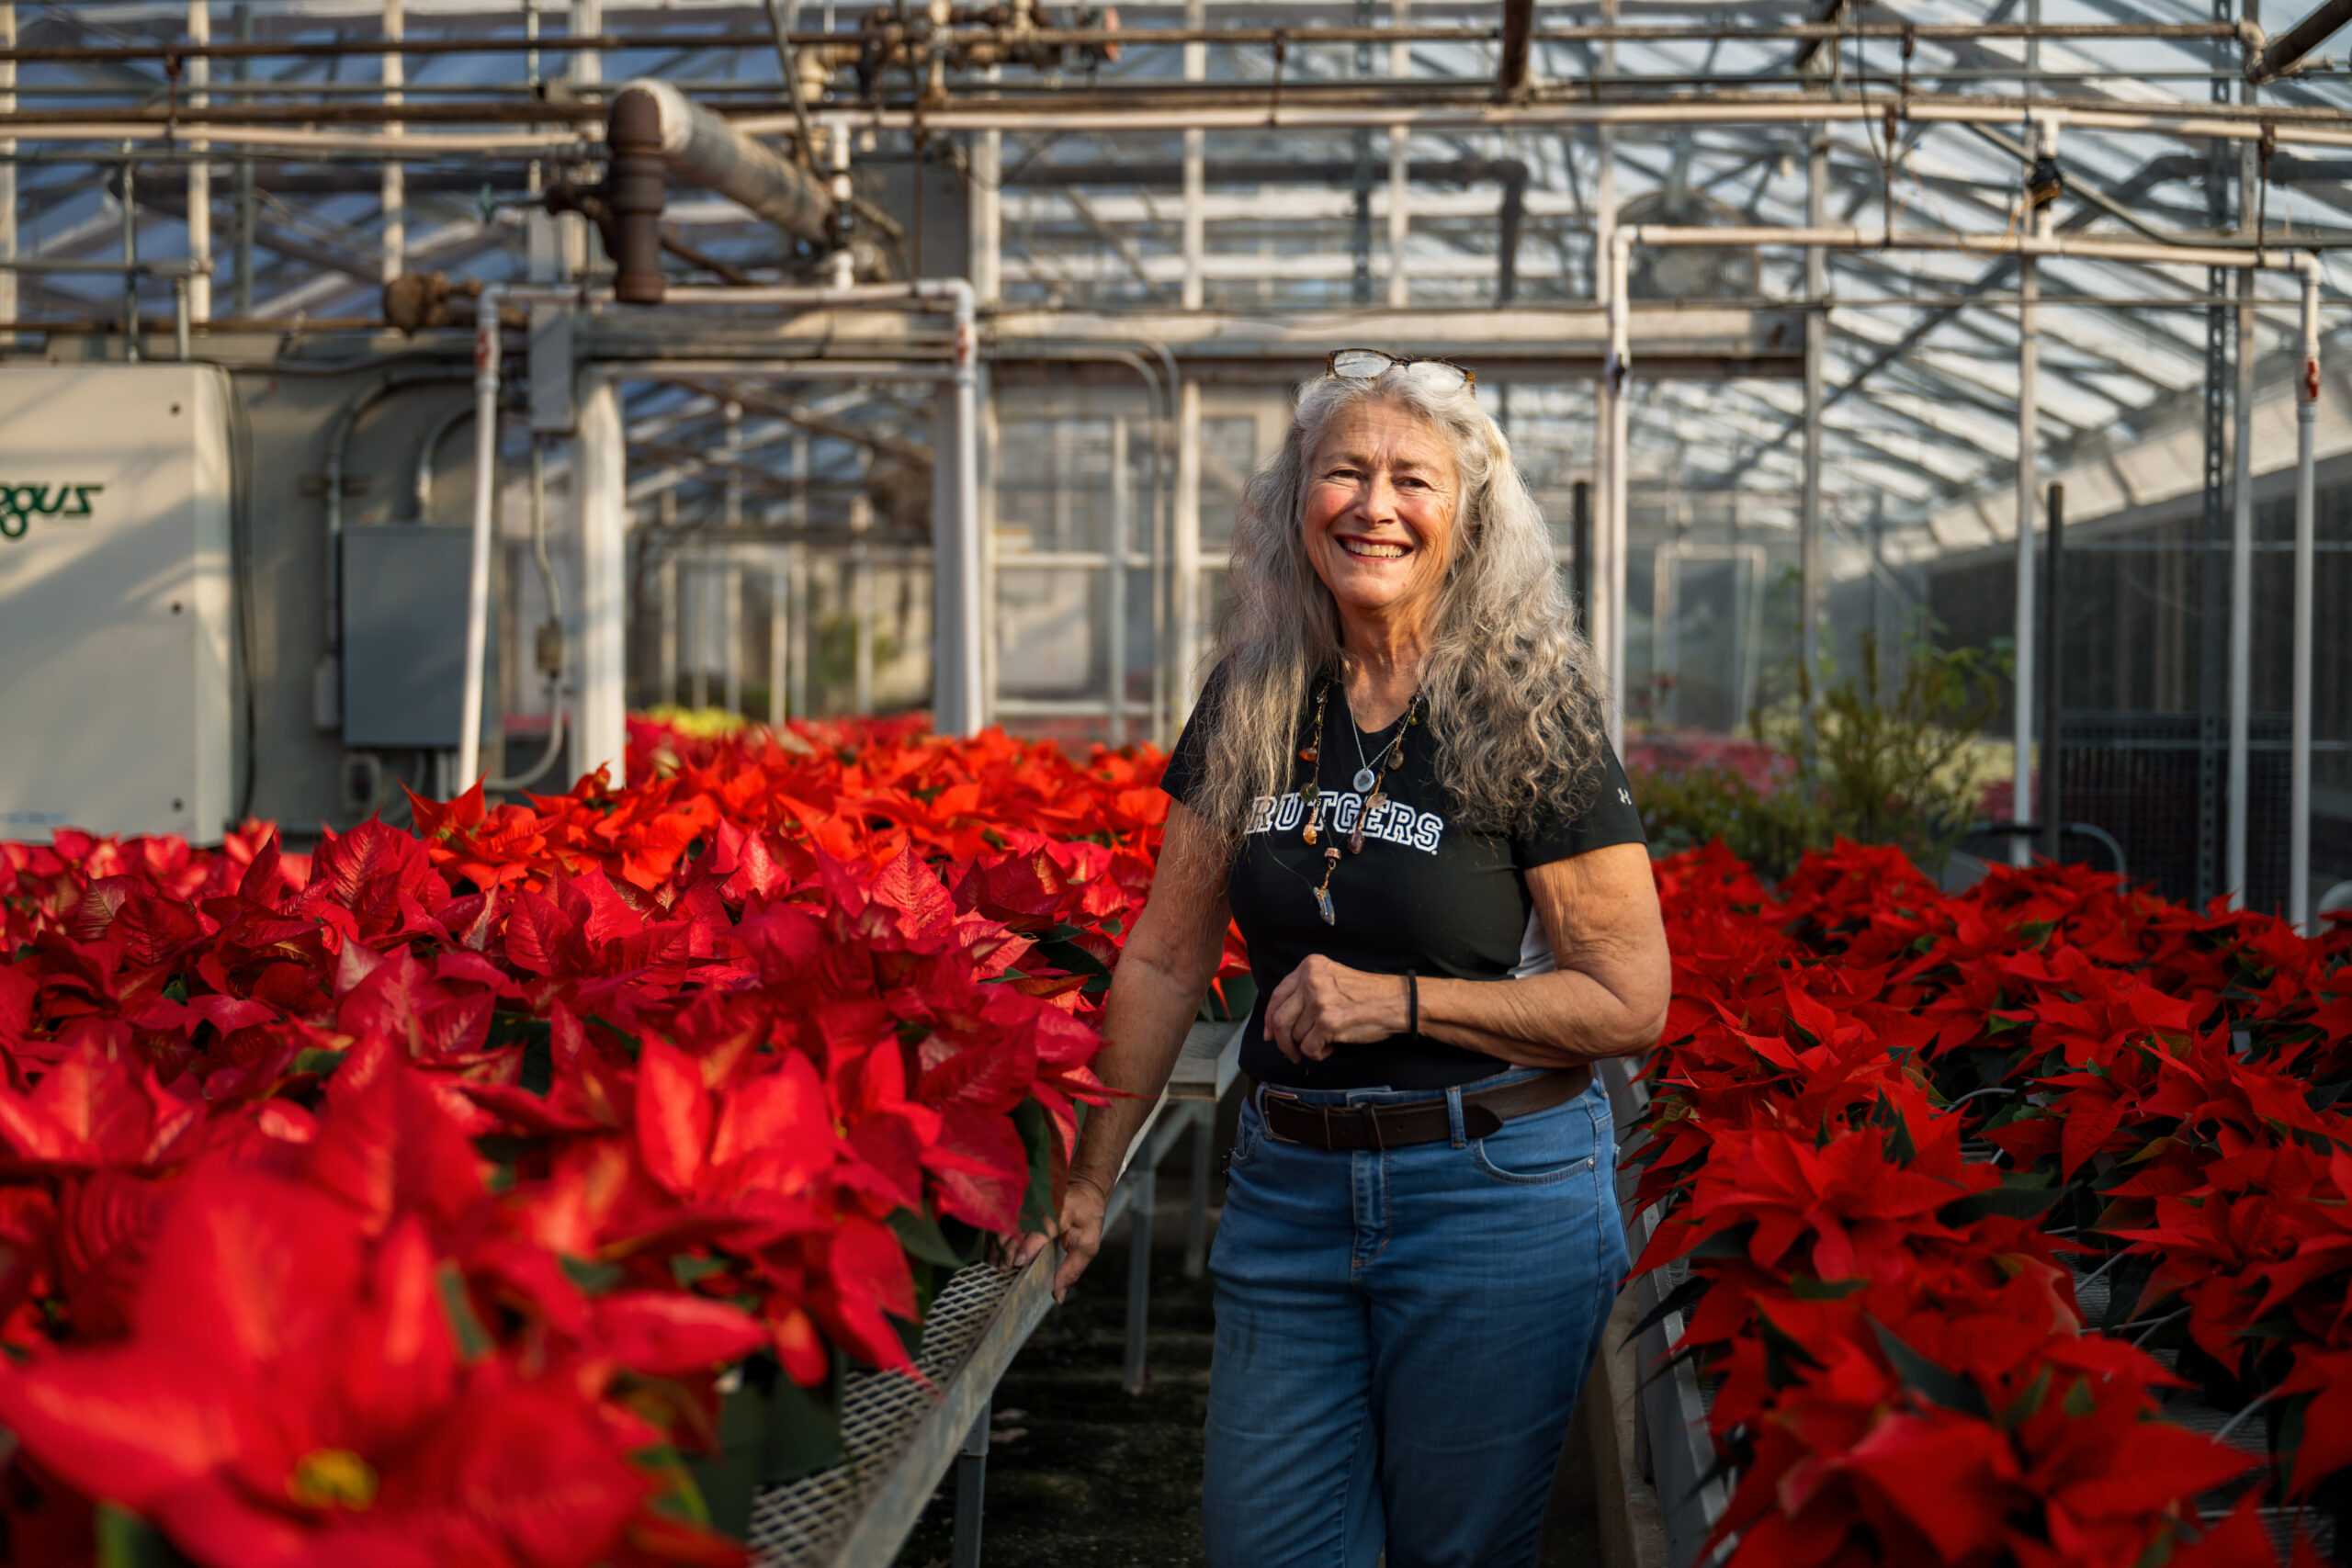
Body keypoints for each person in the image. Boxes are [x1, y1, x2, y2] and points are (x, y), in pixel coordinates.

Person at [1023, 348, 1671, 1568]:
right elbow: (1166, 962)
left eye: (1413, 480)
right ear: (1293, 505)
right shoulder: (1256, 698)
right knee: (1267, 1544)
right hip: (1290, 1190)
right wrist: (1089, 1176)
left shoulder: (1529, 712)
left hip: (1494, 1197)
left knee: (1453, 1554)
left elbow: (1630, 999)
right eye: (1344, 473)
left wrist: (1399, 1001)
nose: (1375, 506)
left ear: (1468, 518)